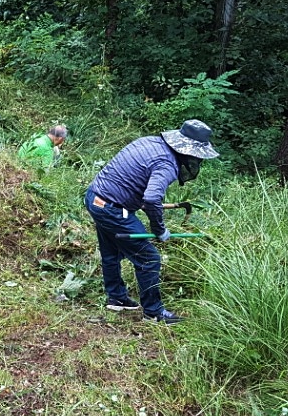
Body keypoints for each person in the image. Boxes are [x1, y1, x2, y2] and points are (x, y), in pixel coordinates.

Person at [84, 119, 219, 324]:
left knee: (112, 251)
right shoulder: (167, 164)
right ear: (188, 151)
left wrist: (135, 200)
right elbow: (152, 198)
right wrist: (159, 229)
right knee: (149, 259)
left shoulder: (151, 142)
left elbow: (133, 179)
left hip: (95, 197)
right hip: (112, 207)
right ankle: (153, 312)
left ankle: (117, 298)